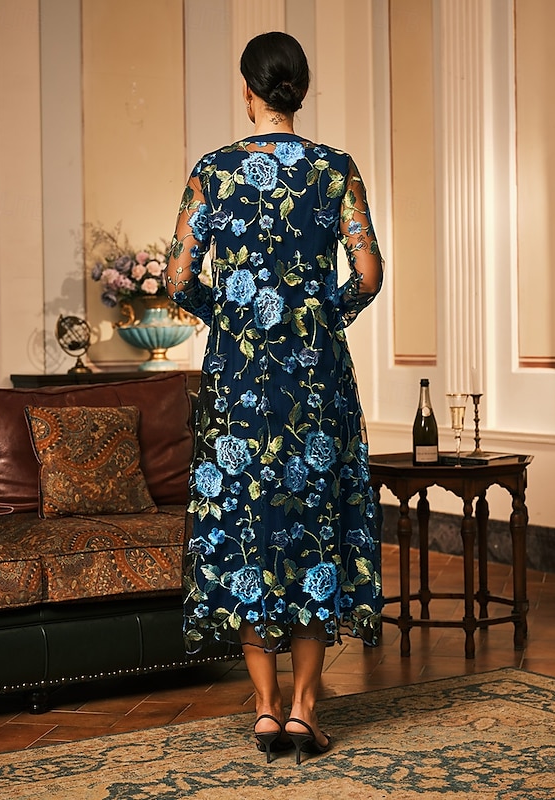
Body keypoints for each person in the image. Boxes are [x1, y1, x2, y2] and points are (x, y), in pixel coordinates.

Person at [166, 31, 384, 765]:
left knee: (246, 527)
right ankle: (304, 711)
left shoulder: (212, 172)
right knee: (313, 526)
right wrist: (318, 314)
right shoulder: (336, 170)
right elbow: (368, 273)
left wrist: (233, 315)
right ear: (301, 90)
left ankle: (263, 710)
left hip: (238, 379)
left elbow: (177, 278)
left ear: (248, 90)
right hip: (316, 376)